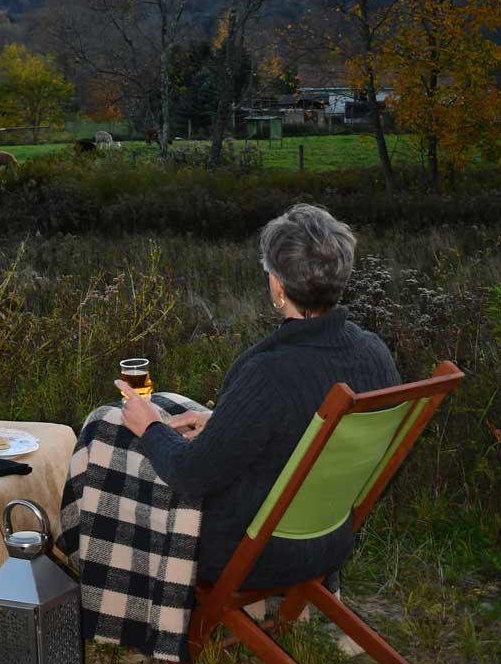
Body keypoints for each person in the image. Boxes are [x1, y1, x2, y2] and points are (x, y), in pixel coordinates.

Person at [117, 201, 399, 590]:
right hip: (331, 541)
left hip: (252, 552)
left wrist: (149, 427)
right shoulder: (374, 353)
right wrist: (225, 423)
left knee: (112, 439)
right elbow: (311, 431)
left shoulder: (270, 371)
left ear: (279, 285)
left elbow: (191, 474)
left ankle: (112, 599)